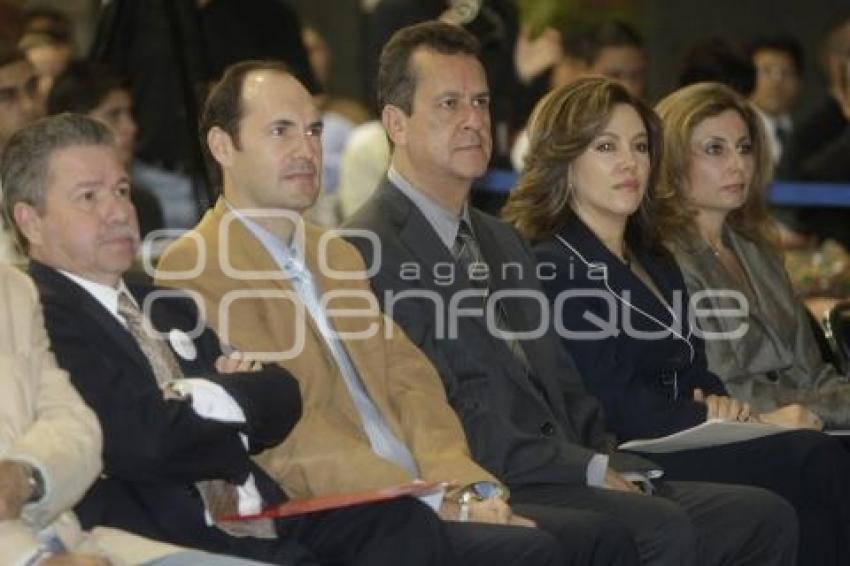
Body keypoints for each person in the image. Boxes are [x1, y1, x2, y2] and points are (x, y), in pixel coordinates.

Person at [345, 21, 797, 566]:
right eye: (449, 104)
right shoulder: (366, 247)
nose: (473, 119)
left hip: (566, 461)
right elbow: (440, 407)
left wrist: (605, 459)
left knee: (761, 517)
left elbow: (562, 382)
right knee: (658, 527)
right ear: (396, 123)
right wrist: (586, 468)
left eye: (481, 101)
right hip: (487, 477)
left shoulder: (501, 238)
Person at [2, 113, 467, 566]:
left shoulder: (163, 301)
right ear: (30, 221)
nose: (118, 211)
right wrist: (228, 405)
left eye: (122, 190)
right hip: (171, 531)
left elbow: (280, 394)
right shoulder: (39, 314)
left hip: (264, 513)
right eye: (89, 197)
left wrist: (198, 398)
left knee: (400, 524)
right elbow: (142, 440)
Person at [154, 59, 566, 566]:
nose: (306, 149)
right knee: (537, 552)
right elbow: (286, 439)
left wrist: (463, 486)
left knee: (592, 539)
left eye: (313, 131)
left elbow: (412, 384)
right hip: (335, 513)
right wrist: (429, 501)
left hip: (421, 492)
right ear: (223, 146)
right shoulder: (197, 265)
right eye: (281, 131)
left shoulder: (336, 253)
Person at [504, 75, 850, 565]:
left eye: (640, 146)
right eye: (606, 147)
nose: (629, 163)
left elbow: (696, 369)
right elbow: (613, 402)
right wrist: (717, 417)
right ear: (564, 159)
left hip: (687, 433)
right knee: (809, 458)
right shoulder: (553, 264)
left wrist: (721, 406)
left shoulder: (654, 256)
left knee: (808, 460)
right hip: (627, 449)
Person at [0, 262, 274, 565]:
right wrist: (29, 559)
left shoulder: (13, 289)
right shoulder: (54, 304)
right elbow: (143, 439)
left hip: (76, 538)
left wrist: (29, 475)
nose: (122, 227)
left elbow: (78, 429)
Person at [655, 81, 850, 427]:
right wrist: (819, 412)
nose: (739, 165)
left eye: (744, 148)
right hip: (744, 434)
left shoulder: (758, 249)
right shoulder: (664, 259)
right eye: (715, 149)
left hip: (811, 425)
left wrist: (834, 407)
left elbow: (815, 372)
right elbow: (725, 387)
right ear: (672, 159)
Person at [47, 60, 166, 237]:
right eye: (114, 115)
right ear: (74, 124)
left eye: (129, 113)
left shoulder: (144, 204)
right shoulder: (49, 209)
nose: (131, 127)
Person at [747, 35, 803, 165]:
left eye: (786, 72)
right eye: (766, 71)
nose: (776, 81)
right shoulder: (736, 133)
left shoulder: (809, 134)